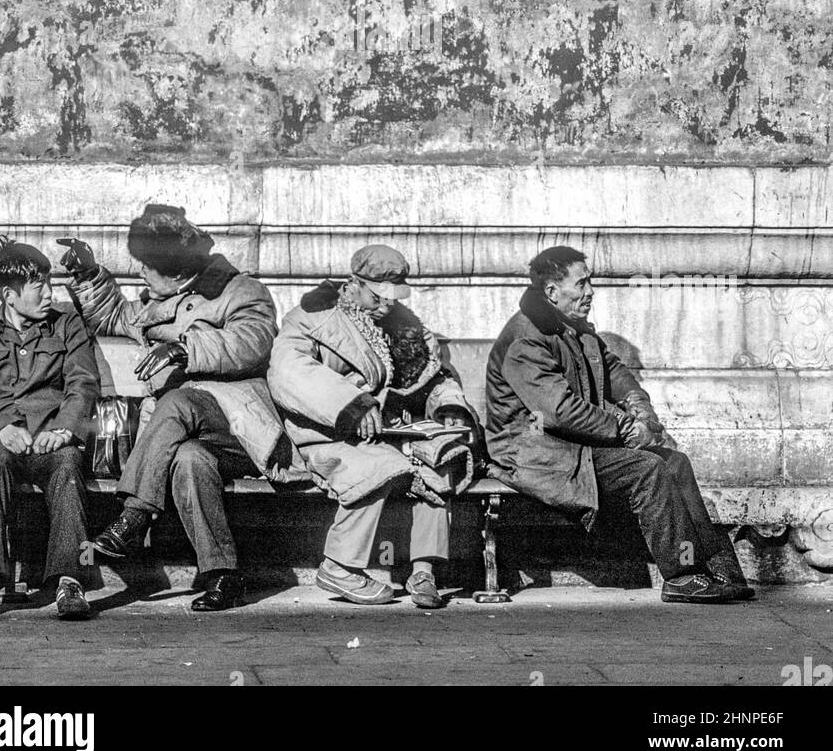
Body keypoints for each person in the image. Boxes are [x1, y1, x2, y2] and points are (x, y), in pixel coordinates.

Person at [61, 203, 298, 612]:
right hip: (187, 435)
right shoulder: (160, 301)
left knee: (180, 398)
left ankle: (134, 515)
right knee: (190, 461)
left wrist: (184, 349)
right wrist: (88, 273)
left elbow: (253, 340)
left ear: (174, 271)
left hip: (239, 426)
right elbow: (115, 315)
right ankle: (223, 574)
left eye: (146, 267)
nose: (139, 273)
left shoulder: (241, 290)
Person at [485, 246, 754, 604]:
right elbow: (560, 412)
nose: (590, 290)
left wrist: (641, 410)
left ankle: (714, 570)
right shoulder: (527, 338)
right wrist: (627, 429)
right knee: (648, 469)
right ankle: (681, 576)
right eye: (581, 283)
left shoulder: (572, 327)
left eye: (589, 281)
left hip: (572, 446)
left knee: (676, 462)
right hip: (534, 454)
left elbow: (614, 371)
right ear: (551, 292)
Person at [268, 244, 477, 608]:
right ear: (354, 284)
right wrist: (351, 405)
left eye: (395, 296)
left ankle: (423, 571)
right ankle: (339, 566)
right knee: (379, 468)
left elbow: (436, 378)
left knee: (439, 459)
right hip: (328, 433)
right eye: (380, 296)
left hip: (388, 432)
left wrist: (448, 407)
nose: (389, 305)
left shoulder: (401, 324)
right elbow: (288, 372)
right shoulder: (311, 318)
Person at [0, 241, 100, 621]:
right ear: (10, 296)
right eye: (38, 286)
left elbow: (83, 383)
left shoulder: (67, 325)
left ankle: (71, 579)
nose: (49, 293)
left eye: (49, 282)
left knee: (68, 463)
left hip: (50, 441)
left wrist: (65, 429)